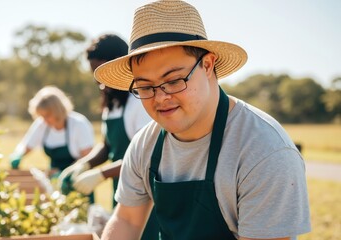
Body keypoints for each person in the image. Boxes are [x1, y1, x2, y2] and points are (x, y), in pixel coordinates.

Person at [94, 1, 311, 239]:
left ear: (208, 65)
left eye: (174, 80)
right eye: (145, 87)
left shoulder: (264, 150)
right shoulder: (145, 144)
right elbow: (127, 219)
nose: (160, 98)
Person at [58, 34, 157, 239]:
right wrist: (84, 165)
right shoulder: (112, 104)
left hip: (147, 196)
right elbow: (107, 146)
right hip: (123, 190)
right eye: (95, 74)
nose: (99, 81)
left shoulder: (138, 102)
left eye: (102, 73)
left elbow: (146, 157)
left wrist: (101, 174)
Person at [9, 86, 94, 178]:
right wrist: (18, 155)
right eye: (41, 116)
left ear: (58, 111)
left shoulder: (78, 124)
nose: (44, 120)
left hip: (79, 177)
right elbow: (26, 145)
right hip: (54, 175)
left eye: (48, 115)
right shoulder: (42, 124)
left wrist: (68, 174)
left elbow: (87, 158)